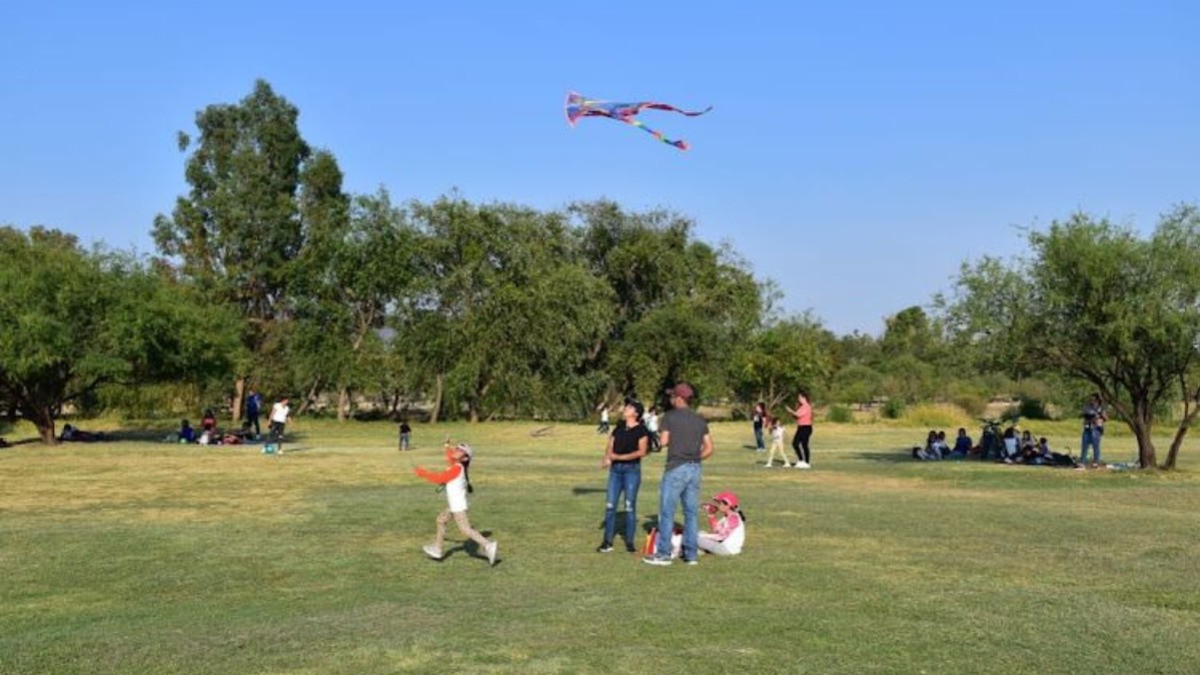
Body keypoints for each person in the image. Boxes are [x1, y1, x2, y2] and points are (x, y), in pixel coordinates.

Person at [644, 382, 714, 567]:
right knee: (691, 513)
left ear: (679, 398)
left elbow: (663, 442)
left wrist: (652, 439)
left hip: (676, 468)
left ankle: (664, 554)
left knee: (667, 512)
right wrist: (694, 458)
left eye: (673, 396)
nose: (670, 398)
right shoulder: (700, 420)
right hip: (695, 469)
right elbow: (709, 448)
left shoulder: (669, 417)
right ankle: (691, 555)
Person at [416, 442, 498, 566]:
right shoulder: (456, 464)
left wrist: (423, 473)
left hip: (458, 506)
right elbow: (450, 456)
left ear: (465, 458)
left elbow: (440, 479)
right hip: (454, 505)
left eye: (460, 451)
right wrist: (447, 446)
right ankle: (437, 549)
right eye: (457, 448)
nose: (456, 450)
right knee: (441, 520)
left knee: (465, 529)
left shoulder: (457, 468)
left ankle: (488, 545)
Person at [598, 398, 650, 553]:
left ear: (635, 413)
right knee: (610, 505)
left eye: (628, 407)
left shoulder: (641, 430)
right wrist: (607, 457)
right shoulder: (619, 426)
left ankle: (629, 542)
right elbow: (610, 444)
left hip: (631, 471)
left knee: (629, 506)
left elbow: (642, 452)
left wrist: (618, 457)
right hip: (615, 471)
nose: (624, 409)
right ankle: (607, 542)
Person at [698, 491, 746, 556]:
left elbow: (720, 537)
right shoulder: (727, 517)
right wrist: (711, 515)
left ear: (727, 505)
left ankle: (697, 551)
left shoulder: (734, 518)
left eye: (719, 503)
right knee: (700, 533)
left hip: (726, 549)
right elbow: (716, 531)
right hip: (723, 546)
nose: (717, 505)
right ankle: (700, 550)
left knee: (694, 538)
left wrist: (702, 536)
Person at [785, 391, 814, 469]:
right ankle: (801, 460)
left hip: (806, 427)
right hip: (800, 427)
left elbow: (798, 414)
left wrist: (791, 411)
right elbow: (796, 416)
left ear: (804, 398)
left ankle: (806, 462)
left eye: (799, 397)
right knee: (795, 443)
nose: (798, 399)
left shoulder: (807, 406)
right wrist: (791, 413)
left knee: (804, 445)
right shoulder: (801, 407)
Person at [1080, 393, 1106, 468]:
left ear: (1097, 400)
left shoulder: (1101, 408)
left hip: (1096, 429)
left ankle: (1095, 462)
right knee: (1084, 446)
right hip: (1087, 428)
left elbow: (1105, 418)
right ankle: (1082, 462)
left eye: (1094, 399)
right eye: (1091, 399)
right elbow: (1083, 414)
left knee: (1096, 446)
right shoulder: (1087, 407)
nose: (1092, 401)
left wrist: (1099, 417)